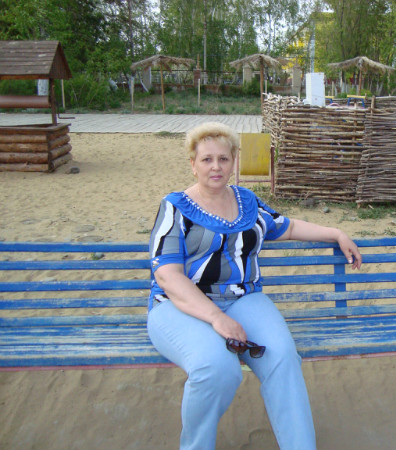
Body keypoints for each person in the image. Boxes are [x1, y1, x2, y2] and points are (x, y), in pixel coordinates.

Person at [147, 122, 362, 450]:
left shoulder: (247, 201)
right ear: (193, 164)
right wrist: (217, 318)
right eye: (206, 159)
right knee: (217, 368)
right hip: (179, 306)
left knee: (282, 358)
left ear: (234, 161)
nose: (216, 167)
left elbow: (287, 227)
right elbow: (168, 276)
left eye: (223, 158)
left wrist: (335, 233)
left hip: (243, 298)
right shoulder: (175, 207)